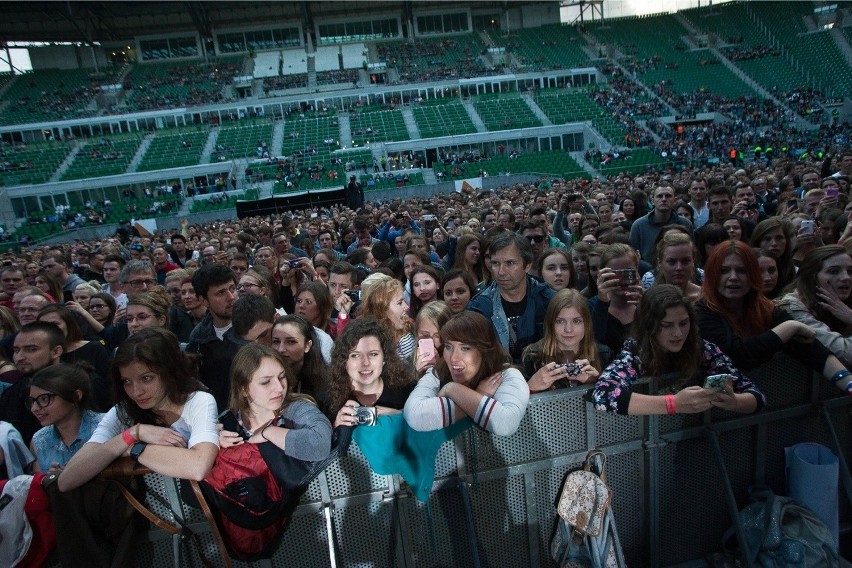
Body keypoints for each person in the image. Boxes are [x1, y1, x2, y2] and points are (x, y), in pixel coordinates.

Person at [52, 328, 219, 567]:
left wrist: (136, 450)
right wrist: (131, 436)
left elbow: (198, 465)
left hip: (203, 524)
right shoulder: (122, 412)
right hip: (139, 535)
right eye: (127, 382)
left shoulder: (198, 401)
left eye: (146, 378)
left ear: (169, 371)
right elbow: (67, 479)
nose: (136, 391)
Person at [696, 241, 851, 391]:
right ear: (712, 274)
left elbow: (812, 351)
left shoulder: (766, 309)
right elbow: (738, 355)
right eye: (724, 270)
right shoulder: (701, 312)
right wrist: (789, 327)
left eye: (742, 270)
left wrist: (848, 383)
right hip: (716, 407)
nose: (733, 277)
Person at [591, 285, 765, 415]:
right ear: (650, 326)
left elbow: (757, 396)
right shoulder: (636, 350)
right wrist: (673, 403)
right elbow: (603, 395)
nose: (678, 333)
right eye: (667, 325)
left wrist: (735, 402)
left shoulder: (700, 347)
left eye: (683, 323)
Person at [403, 311, 530, 436]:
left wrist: (451, 389)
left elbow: (505, 424)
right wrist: (479, 395)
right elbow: (414, 415)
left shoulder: (507, 375)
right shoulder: (436, 371)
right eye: (448, 347)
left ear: (484, 350)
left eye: (465, 348)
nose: (453, 358)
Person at [216, 343, 331, 463]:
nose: (279, 388)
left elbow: (321, 445)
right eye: (266, 382)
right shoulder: (226, 422)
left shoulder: (296, 409)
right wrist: (213, 444)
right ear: (243, 389)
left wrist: (268, 432)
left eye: (282, 377)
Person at [468, 232, 554, 364]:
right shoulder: (479, 307)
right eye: (495, 263)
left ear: (528, 265)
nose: (501, 272)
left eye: (510, 263)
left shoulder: (549, 300)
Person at [327, 317, 414, 427]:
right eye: (355, 355)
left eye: (373, 354)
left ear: (385, 358)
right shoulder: (328, 399)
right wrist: (335, 427)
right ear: (344, 361)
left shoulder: (407, 393)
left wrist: (401, 416)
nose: (365, 363)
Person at [777, 245, 852, 369]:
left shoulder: (846, 302)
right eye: (834, 271)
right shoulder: (791, 306)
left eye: (850, 271)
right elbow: (844, 353)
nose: (846, 277)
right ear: (812, 276)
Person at [522, 289, 610, 393]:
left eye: (576, 321)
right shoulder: (532, 355)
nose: (568, 329)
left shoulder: (603, 354)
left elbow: (615, 404)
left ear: (587, 324)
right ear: (550, 324)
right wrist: (530, 387)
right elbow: (518, 406)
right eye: (560, 321)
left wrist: (595, 382)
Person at [28, 363, 104, 472]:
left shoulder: (105, 425)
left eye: (44, 399)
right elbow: (38, 484)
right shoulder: (39, 440)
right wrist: (49, 481)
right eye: (32, 401)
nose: (34, 408)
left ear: (76, 396)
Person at [589, 243, 644, 355]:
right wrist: (602, 302)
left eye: (627, 273)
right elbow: (593, 343)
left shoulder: (649, 302)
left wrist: (645, 306)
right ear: (603, 273)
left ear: (636, 270)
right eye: (615, 274)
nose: (621, 280)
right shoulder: (590, 306)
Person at [356, 273, 416, 359]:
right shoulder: (362, 344)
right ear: (381, 310)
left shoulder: (409, 328)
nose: (406, 307)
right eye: (399, 303)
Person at [271, 315, 327, 399]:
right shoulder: (262, 377)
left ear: (307, 345)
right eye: (276, 342)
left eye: (290, 342)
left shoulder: (323, 387)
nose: (280, 349)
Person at [642, 231, 703, 302]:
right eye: (672, 262)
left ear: (693, 261)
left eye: (685, 261)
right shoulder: (649, 300)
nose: (679, 268)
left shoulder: (706, 298)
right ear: (659, 262)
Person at [412, 301, 452, 375]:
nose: (432, 342)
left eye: (438, 336)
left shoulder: (455, 363)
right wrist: (417, 375)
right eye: (425, 335)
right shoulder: (408, 364)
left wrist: (439, 369)